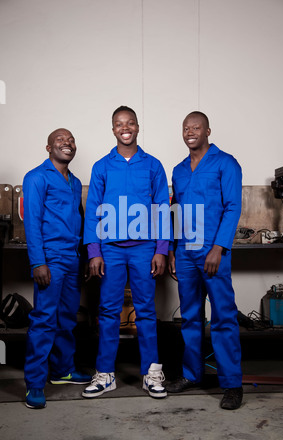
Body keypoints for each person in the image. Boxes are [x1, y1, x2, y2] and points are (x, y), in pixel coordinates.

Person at [82, 106, 169, 399]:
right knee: (108, 311)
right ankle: (105, 374)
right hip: (111, 250)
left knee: (146, 311)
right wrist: (94, 252)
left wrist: (161, 249)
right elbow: (93, 211)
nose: (125, 127)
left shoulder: (153, 165)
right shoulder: (102, 166)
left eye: (130, 122)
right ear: (113, 129)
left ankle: (151, 373)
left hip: (145, 249)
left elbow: (161, 209)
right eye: (119, 124)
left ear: (137, 126)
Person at [167, 111, 243, 410]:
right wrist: (174, 249)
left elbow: (233, 206)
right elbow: (176, 211)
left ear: (207, 130)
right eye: (186, 128)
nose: (190, 131)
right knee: (190, 316)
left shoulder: (226, 163)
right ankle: (191, 375)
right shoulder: (179, 169)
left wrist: (219, 247)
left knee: (223, 317)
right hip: (185, 251)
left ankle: (232, 384)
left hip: (213, 251)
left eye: (196, 127)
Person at [23, 128, 91, 409]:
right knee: (44, 321)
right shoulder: (36, 177)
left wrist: (85, 257)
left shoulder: (74, 182)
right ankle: (35, 385)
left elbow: (79, 220)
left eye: (71, 140)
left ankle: (62, 370)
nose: (67, 143)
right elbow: (32, 221)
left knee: (67, 319)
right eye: (60, 140)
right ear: (48, 147)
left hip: (72, 258)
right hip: (49, 259)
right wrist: (38, 261)